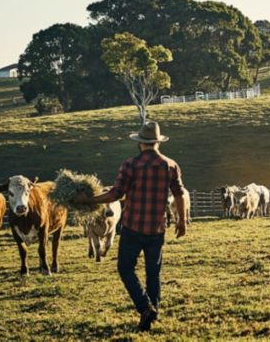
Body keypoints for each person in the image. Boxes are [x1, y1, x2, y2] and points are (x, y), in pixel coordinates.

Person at [75, 120, 187, 332]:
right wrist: (181, 221)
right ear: (158, 143)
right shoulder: (170, 165)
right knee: (153, 272)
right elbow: (180, 194)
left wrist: (88, 201)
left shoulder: (130, 165)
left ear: (140, 143)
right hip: (157, 228)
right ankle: (153, 313)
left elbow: (115, 194)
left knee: (125, 268)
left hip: (133, 227)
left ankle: (145, 308)